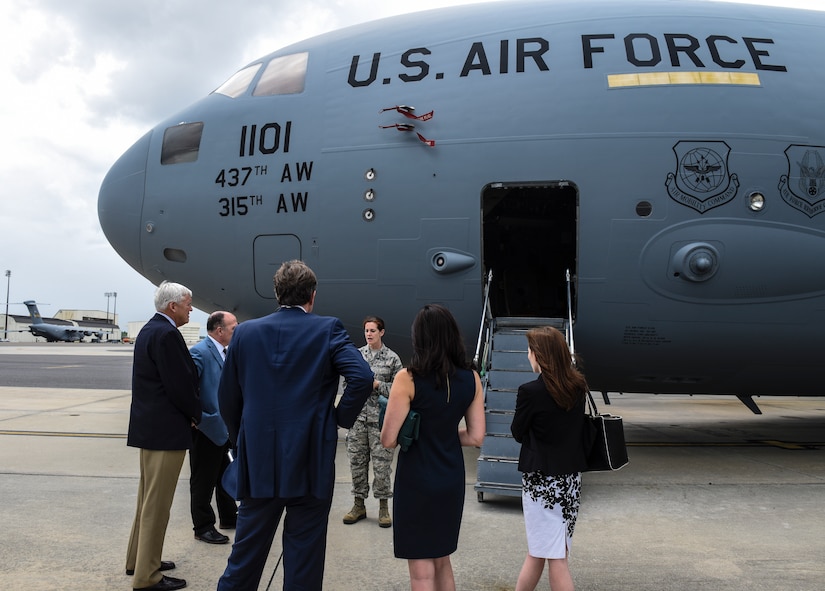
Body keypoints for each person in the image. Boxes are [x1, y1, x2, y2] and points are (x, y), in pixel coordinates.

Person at [216, 259, 373, 591]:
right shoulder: (328, 329)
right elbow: (361, 377)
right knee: (304, 560)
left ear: (276, 293)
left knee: (244, 560)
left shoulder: (244, 332)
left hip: (259, 462)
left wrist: (240, 441)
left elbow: (227, 398)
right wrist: (336, 419)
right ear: (312, 296)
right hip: (309, 462)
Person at [380, 303, 486, 591]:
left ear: (419, 338)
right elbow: (477, 436)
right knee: (442, 560)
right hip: (450, 477)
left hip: (417, 480)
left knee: (422, 573)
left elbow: (388, 439)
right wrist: (447, 436)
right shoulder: (471, 378)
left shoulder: (408, 378)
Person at [125, 281, 202, 591]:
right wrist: (195, 415)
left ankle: (139, 561)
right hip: (166, 431)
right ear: (173, 307)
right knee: (157, 506)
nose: (191, 309)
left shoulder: (150, 330)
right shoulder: (168, 334)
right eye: (188, 304)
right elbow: (180, 385)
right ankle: (147, 577)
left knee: (147, 501)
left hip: (150, 429)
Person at [510, 326, 589, 591]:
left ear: (540, 355)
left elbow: (517, 432)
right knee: (550, 550)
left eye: (530, 350)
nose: (528, 355)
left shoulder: (530, 392)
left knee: (550, 555)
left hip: (541, 483)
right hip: (569, 482)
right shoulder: (578, 386)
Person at [343, 315, 404, 527]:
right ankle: (358, 505)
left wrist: (377, 385)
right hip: (358, 420)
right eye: (366, 331)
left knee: (382, 466)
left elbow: (399, 391)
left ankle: (384, 507)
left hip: (381, 421)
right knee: (357, 464)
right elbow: (347, 387)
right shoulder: (357, 356)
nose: (369, 334)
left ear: (382, 332)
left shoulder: (393, 359)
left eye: (373, 331)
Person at [188, 311, 239, 545]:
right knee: (203, 480)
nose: (235, 331)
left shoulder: (225, 352)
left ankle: (228, 517)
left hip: (223, 428)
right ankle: (203, 526)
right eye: (233, 328)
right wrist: (199, 418)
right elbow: (187, 389)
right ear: (220, 330)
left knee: (224, 475)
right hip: (206, 428)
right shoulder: (199, 352)